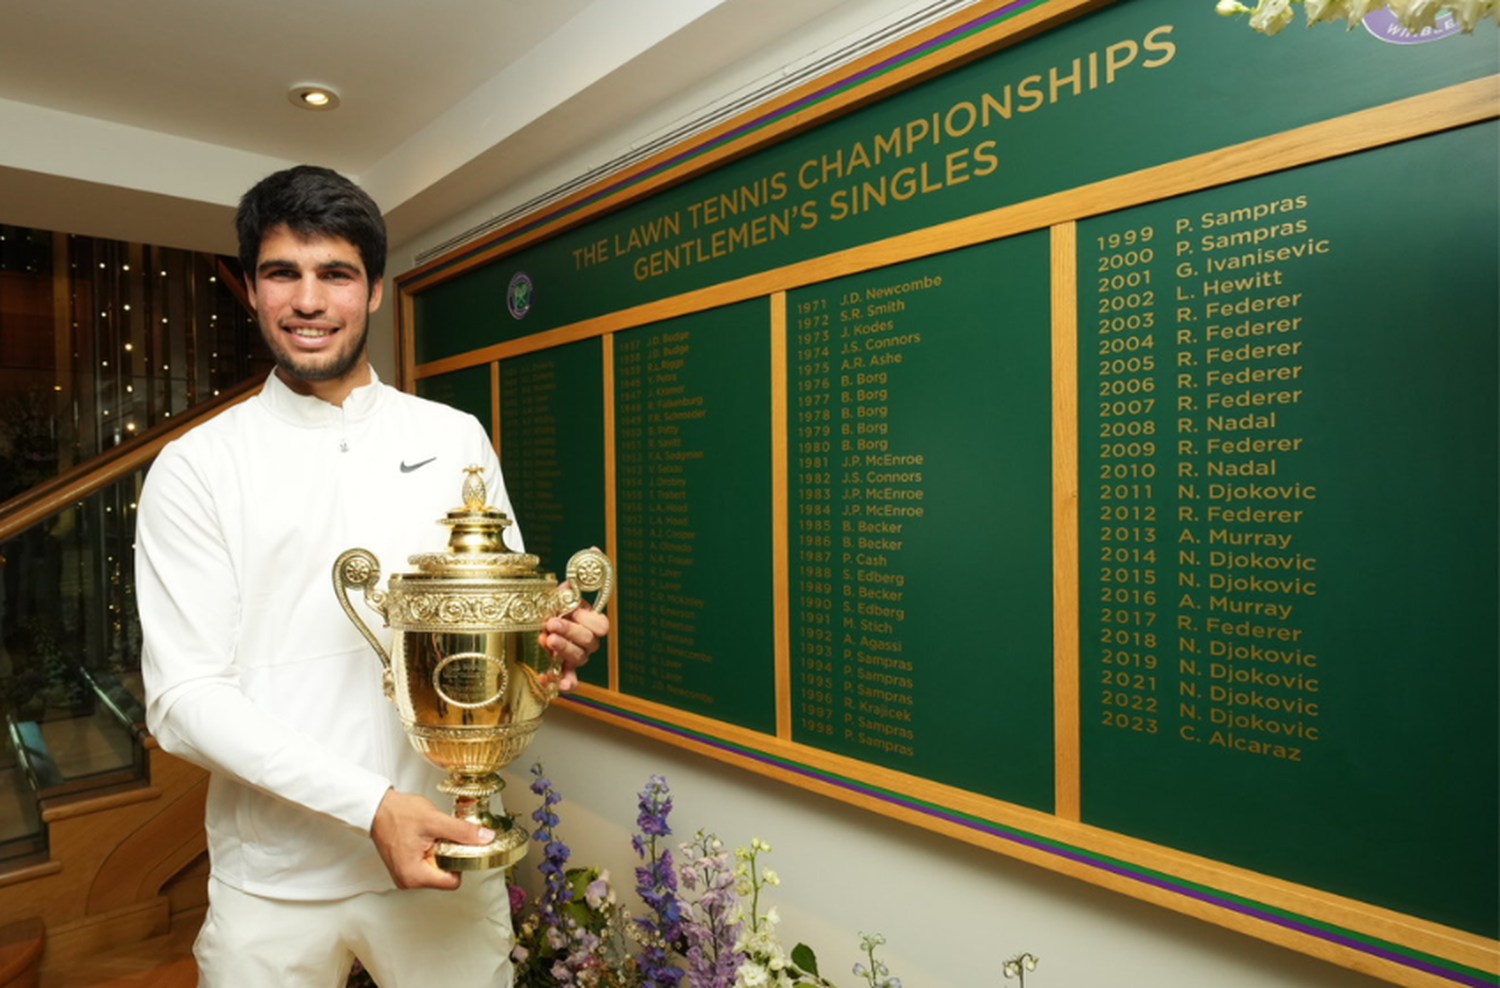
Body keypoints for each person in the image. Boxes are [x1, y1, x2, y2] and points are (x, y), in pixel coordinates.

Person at [135, 164, 608, 987]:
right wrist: (372, 807)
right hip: (273, 883)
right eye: (283, 273)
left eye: (336, 274)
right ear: (250, 288)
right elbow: (183, 700)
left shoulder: (455, 437)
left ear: (376, 289)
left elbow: (504, 630)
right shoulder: (197, 467)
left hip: (448, 853)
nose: (309, 301)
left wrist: (554, 639)